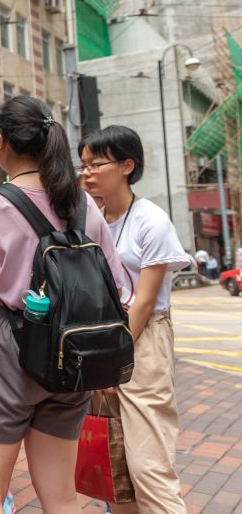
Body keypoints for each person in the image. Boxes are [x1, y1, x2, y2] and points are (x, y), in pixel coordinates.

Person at [0, 96, 125, 513]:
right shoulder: (82, 202)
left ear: (0, 143)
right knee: (60, 496)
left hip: (12, 348)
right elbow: (117, 285)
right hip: (73, 354)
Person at [79, 125, 192, 513]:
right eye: (84, 165)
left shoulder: (151, 220)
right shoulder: (90, 220)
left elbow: (143, 304)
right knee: (114, 467)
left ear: (127, 165)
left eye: (97, 163)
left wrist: (111, 360)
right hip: (103, 341)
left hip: (140, 342)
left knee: (149, 467)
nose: (87, 172)